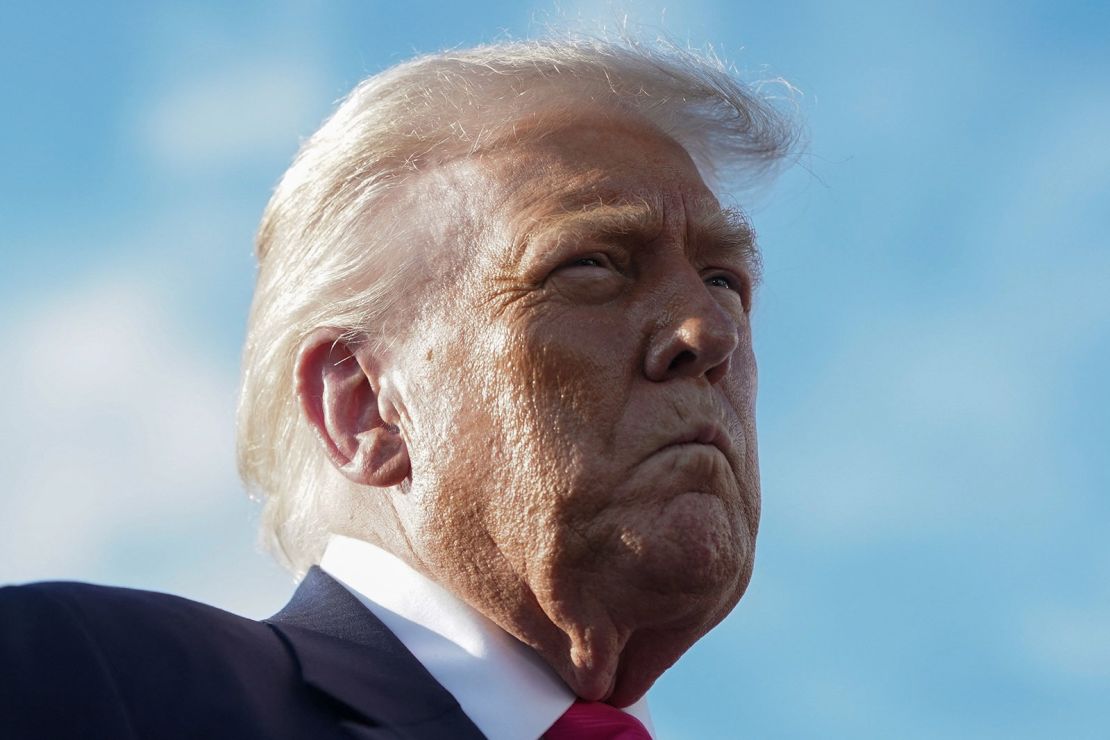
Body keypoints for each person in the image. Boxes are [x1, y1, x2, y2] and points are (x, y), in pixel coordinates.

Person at [0, 35, 795, 739]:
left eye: (725, 280)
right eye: (589, 264)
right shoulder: (89, 683)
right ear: (365, 406)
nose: (710, 332)